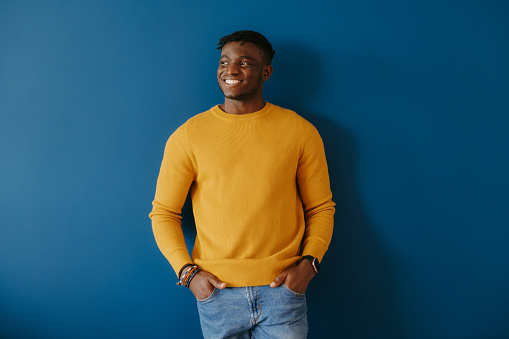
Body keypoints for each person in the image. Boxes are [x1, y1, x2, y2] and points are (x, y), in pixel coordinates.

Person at [149, 30, 335, 338]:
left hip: (283, 293)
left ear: (266, 72)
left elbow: (321, 206)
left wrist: (309, 265)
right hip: (217, 294)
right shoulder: (188, 136)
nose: (231, 70)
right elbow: (163, 213)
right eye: (224, 61)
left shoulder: (300, 132)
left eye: (244, 62)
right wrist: (187, 273)